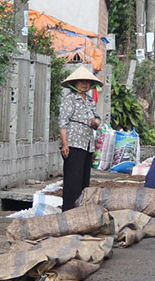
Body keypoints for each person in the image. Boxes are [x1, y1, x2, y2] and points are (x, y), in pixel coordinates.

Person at [57, 65, 102, 211]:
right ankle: (69, 210)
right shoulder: (69, 100)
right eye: (81, 81)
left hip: (87, 144)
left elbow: (96, 119)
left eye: (87, 81)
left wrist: (95, 123)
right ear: (74, 83)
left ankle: (80, 211)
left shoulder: (90, 101)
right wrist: (65, 144)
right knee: (72, 180)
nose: (85, 84)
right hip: (73, 144)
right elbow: (62, 122)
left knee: (84, 180)